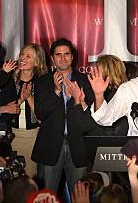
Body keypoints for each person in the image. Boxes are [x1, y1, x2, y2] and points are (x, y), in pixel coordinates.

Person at [32, 38, 94, 193]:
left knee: (80, 198)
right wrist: (56, 91)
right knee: (46, 198)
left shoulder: (85, 81)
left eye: (66, 54)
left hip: (79, 145)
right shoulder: (42, 81)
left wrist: (76, 98)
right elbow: (40, 113)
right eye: (58, 55)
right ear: (52, 58)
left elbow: (91, 116)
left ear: (72, 57)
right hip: (50, 145)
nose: (63, 58)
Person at [11, 44, 48, 176]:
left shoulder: (43, 84)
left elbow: (43, 118)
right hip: (9, 136)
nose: (22, 58)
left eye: (28, 56)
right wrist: (19, 100)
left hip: (32, 137)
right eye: (21, 54)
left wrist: (29, 98)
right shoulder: (9, 81)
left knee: (29, 178)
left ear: (37, 62)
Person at [72, 54, 129, 136]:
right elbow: (91, 121)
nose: (94, 73)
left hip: (112, 145)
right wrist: (82, 102)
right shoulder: (103, 92)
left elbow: (99, 125)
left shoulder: (122, 92)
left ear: (108, 71)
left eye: (97, 69)